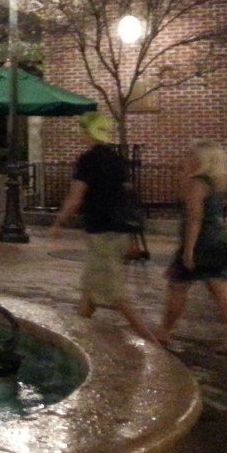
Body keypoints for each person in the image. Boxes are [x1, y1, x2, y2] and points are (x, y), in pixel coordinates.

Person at [49, 112, 158, 342]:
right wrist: (132, 238)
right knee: (90, 289)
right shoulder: (117, 159)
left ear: (88, 132)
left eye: (82, 130)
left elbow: (76, 197)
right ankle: (77, 337)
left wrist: (59, 222)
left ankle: (150, 340)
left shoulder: (88, 160)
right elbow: (126, 196)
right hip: (118, 232)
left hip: (102, 232)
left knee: (115, 293)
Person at [156, 142, 227, 357]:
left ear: (201, 160)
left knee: (178, 286)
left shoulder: (197, 183)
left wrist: (188, 250)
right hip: (218, 242)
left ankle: (163, 332)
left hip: (200, 243)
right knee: (222, 291)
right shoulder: (214, 183)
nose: (186, 158)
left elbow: (194, 218)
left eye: (191, 155)